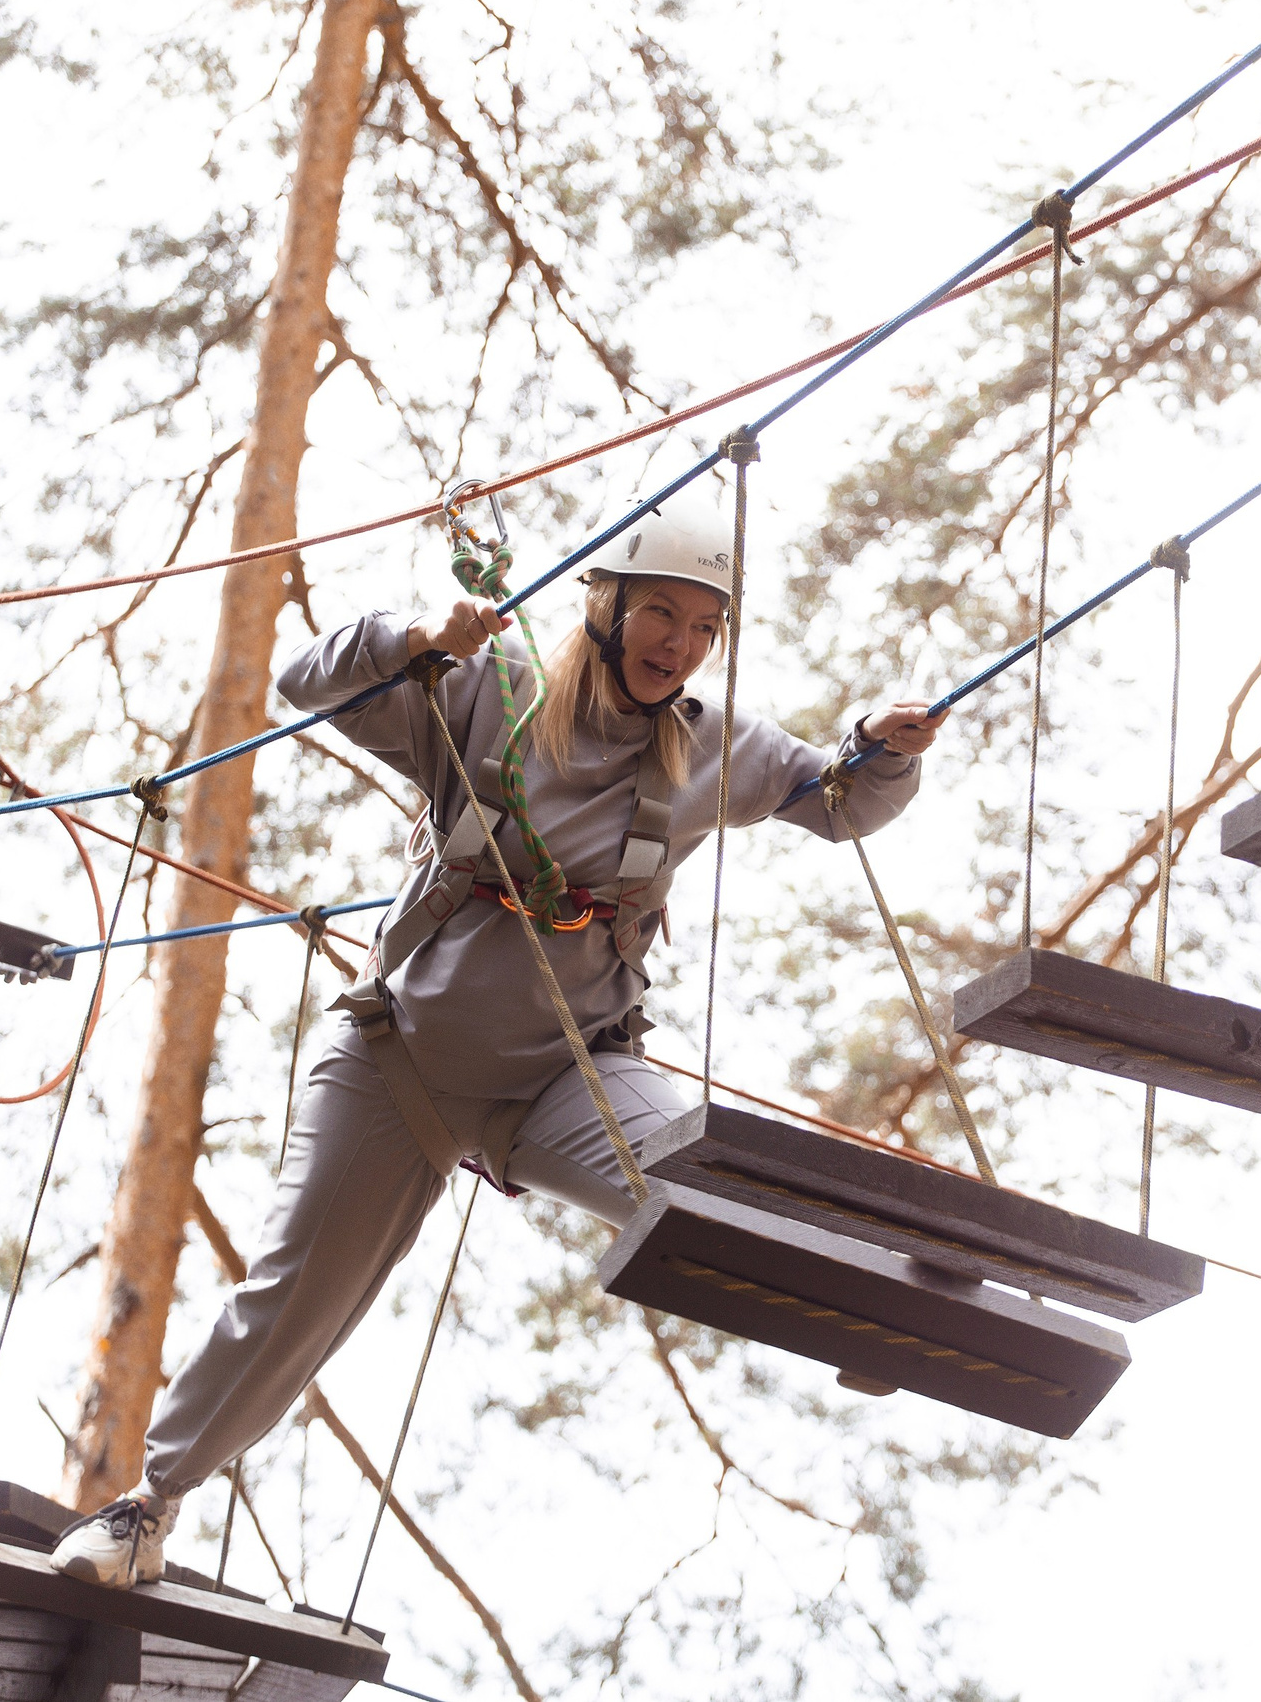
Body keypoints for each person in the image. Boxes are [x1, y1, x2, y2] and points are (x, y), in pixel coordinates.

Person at [50, 496, 947, 1589]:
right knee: (292, 1298)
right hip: (400, 1066)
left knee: (700, 1174)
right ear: (604, 605)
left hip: (561, 1084)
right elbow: (308, 683)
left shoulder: (713, 745)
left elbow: (837, 800)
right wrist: (420, 642)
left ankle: (873, 1294)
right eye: (660, 612)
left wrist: (882, 751)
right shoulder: (488, 693)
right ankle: (151, 1505)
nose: (679, 643)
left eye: (704, 627)